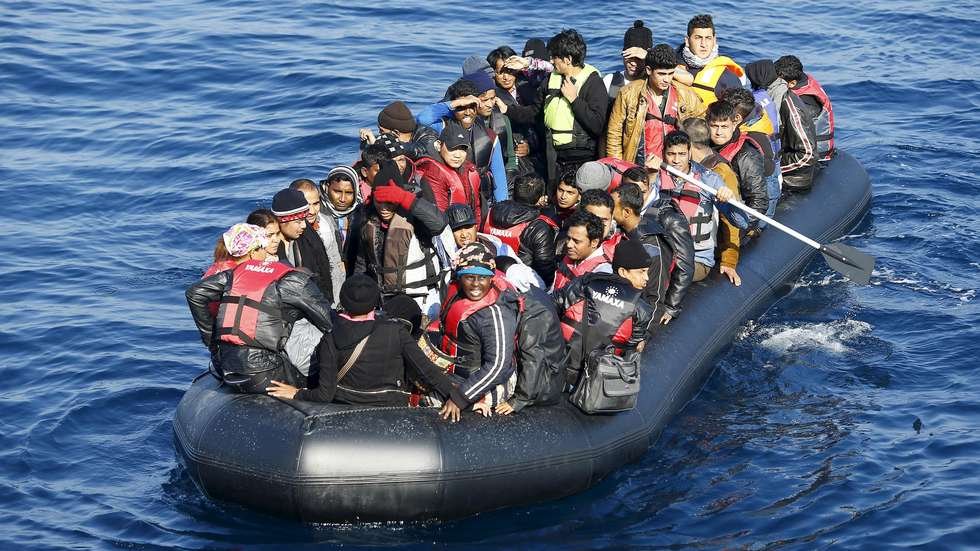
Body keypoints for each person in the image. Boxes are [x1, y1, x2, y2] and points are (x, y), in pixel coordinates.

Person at [265, 275, 465, 422]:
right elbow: (427, 372)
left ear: (344, 302)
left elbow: (324, 394)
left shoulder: (330, 338)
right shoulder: (395, 332)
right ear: (375, 303)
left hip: (345, 409)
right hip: (390, 409)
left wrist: (297, 393)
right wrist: (459, 398)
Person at [185, 224, 333, 394]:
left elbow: (194, 293)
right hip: (265, 371)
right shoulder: (290, 279)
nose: (268, 252)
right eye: (264, 247)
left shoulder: (233, 274)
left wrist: (211, 341)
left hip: (225, 364)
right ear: (254, 252)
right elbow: (329, 323)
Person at [505, 29, 609, 187]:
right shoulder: (550, 80)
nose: (552, 61)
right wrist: (507, 109)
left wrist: (574, 100)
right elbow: (534, 112)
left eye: (554, 57)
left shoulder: (593, 83)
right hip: (554, 157)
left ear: (568, 59)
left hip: (583, 158)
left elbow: (597, 125)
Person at [354, 161, 456, 317]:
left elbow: (439, 223)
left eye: (390, 202)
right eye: (379, 202)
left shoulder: (416, 217)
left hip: (423, 299)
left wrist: (405, 199)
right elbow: (361, 264)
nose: (384, 208)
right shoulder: (368, 220)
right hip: (384, 300)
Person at [553, 238, 655, 387]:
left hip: (558, 365)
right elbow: (630, 353)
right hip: (596, 382)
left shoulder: (584, 283)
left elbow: (554, 305)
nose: (647, 278)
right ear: (622, 272)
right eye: (642, 272)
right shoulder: (641, 308)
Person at [434, 243, 521, 415]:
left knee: (435, 403)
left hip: (488, 382)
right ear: (459, 278)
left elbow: (498, 367)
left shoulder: (494, 315)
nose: (475, 284)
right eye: (469, 277)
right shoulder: (456, 293)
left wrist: (460, 398)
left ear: (491, 278)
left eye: (482, 278)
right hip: (456, 371)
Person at [651, 130, 746, 284]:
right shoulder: (655, 177)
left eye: (682, 154)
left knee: (663, 273)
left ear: (690, 153)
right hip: (662, 251)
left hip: (697, 259)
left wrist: (729, 201)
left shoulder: (709, 179)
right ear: (663, 154)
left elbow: (742, 222)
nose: (676, 160)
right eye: (671, 154)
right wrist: (649, 177)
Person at [606, 44, 705, 167]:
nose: (667, 79)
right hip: (638, 166)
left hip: (674, 166)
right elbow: (614, 134)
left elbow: (701, 129)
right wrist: (618, 167)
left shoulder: (686, 95)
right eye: (662, 74)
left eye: (671, 73)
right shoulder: (627, 93)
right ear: (648, 70)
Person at [415, 77, 508, 204]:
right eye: (462, 107)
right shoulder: (440, 127)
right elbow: (422, 119)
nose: (468, 112)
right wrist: (453, 104)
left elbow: (500, 183)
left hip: (477, 200)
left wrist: (502, 208)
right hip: (445, 198)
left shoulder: (490, 137)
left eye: (472, 106)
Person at [681, 118, 748, 285]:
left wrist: (729, 260)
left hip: (703, 246)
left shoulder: (720, 172)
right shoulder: (684, 168)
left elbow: (731, 222)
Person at [746, 59, 818, 192]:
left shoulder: (790, 106)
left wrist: (774, 167)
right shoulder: (770, 96)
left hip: (793, 178)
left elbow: (808, 154)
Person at [717, 87, 781, 220]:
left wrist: (746, 223)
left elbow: (758, 196)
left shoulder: (751, 140)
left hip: (764, 196)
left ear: (737, 118)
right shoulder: (756, 117)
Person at [483, 174, 559, 286]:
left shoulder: (489, 212)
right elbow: (545, 269)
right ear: (540, 199)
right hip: (522, 286)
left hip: (487, 278)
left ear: (514, 193)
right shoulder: (539, 227)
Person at [706, 101, 769, 226]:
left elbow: (759, 200)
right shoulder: (704, 145)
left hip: (733, 222)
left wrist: (741, 224)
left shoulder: (746, 155)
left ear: (734, 125)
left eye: (724, 126)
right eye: (714, 126)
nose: (719, 132)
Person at [415, 121, 485, 224]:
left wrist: (475, 229)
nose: (458, 155)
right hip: (446, 229)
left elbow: (477, 208)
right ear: (439, 145)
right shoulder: (433, 172)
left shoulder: (469, 169)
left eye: (462, 149)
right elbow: (439, 216)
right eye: (452, 148)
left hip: (467, 227)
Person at [281, 180, 336, 304]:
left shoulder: (327, 222)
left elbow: (334, 262)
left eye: (316, 204)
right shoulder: (290, 235)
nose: (312, 211)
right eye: (306, 205)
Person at [673, 14, 746, 104]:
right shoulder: (670, 63)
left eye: (708, 38)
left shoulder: (727, 78)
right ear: (687, 41)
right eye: (698, 38)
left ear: (714, 41)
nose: (703, 44)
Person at [774, 55, 835, 162]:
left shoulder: (805, 101)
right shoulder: (804, 80)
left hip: (813, 155)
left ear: (792, 83)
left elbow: (794, 130)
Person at [318, 166, 363, 276]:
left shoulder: (361, 212)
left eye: (349, 193)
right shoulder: (316, 212)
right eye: (337, 191)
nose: (342, 199)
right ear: (327, 187)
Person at [359, 100, 440, 161]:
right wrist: (367, 145)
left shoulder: (428, 138)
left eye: (382, 131)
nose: (380, 134)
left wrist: (377, 146)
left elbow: (416, 150)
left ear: (396, 133)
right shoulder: (389, 140)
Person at [551, 210, 612, 291]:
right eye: (568, 238)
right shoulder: (568, 259)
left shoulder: (602, 273)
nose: (569, 245)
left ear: (594, 242)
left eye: (576, 241)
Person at [603, 20, 654, 101]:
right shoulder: (610, 81)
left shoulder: (656, 81)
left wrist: (650, 57)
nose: (633, 63)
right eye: (629, 57)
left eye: (639, 59)